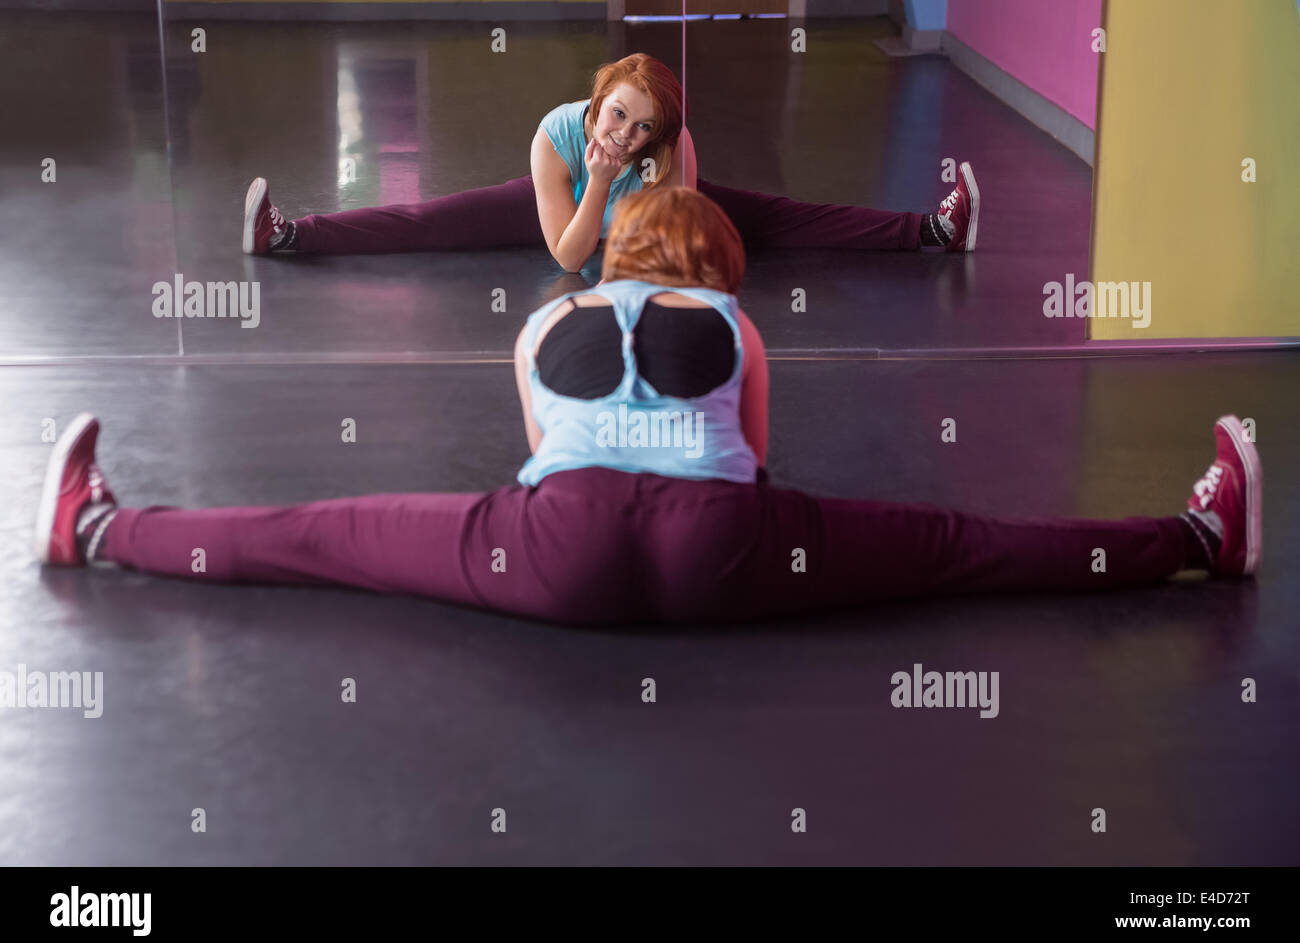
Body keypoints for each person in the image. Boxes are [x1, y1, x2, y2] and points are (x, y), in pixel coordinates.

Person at [37, 187, 1258, 627]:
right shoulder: (733, 321)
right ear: (713, 263)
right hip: (720, 545)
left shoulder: (543, 322)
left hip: (553, 547)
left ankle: (94, 532)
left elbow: (540, 455)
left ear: (615, 249)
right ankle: (1200, 541)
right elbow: (756, 458)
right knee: (960, 548)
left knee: (326, 531)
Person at [241, 52, 978, 272]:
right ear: (598, 101)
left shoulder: (670, 153)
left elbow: (649, 261)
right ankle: (290, 236)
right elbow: (570, 257)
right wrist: (595, 180)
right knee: (429, 218)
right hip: (565, 196)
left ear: (659, 139)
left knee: (781, 219)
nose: (622, 131)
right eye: (616, 112)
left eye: (641, 128)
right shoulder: (556, 136)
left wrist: (639, 194)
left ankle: (930, 233)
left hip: (635, 213)